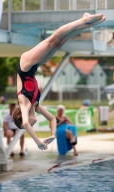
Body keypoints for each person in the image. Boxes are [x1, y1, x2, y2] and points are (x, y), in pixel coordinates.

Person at [12, 12, 106, 151]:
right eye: (32, 126)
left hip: (25, 65)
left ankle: (84, 19)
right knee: (58, 43)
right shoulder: (36, 106)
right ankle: (86, 25)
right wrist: (52, 135)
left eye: (31, 125)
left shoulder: (24, 104)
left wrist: (37, 142)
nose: (31, 125)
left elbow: (25, 123)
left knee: (53, 39)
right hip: (34, 68)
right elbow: (52, 119)